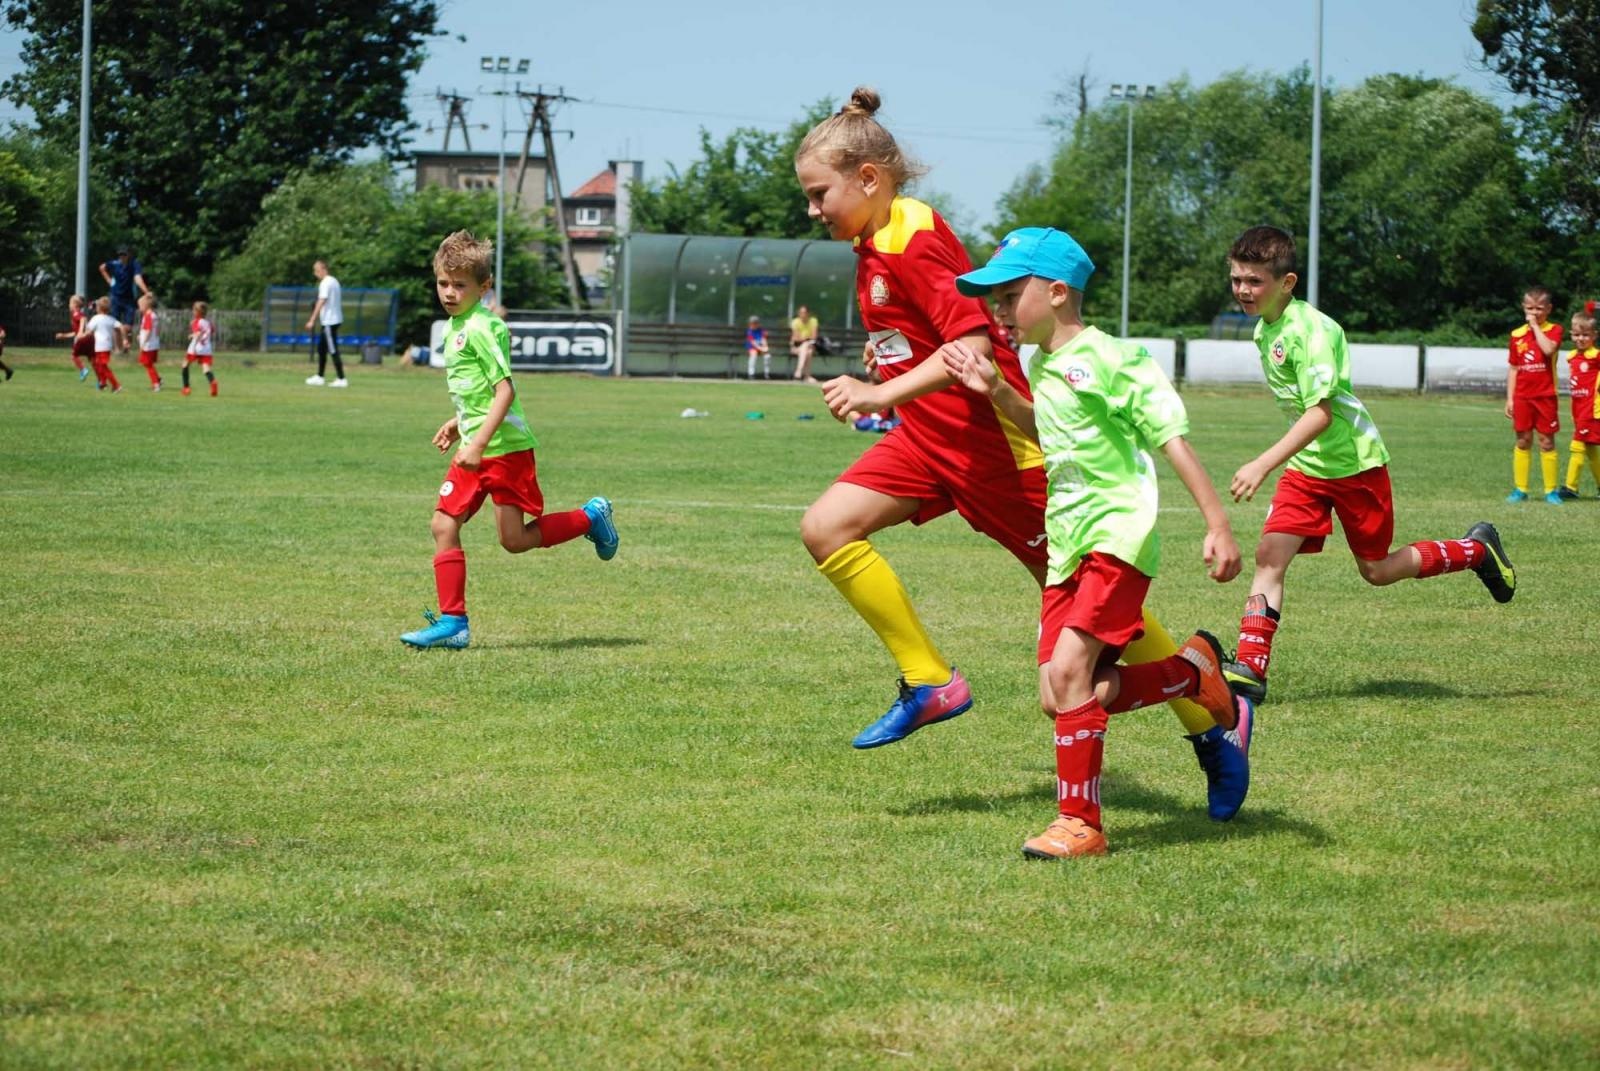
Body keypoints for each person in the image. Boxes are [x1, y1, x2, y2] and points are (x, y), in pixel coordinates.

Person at [793, 86, 1251, 821]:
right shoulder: (871, 241)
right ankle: (929, 680)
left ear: (868, 180)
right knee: (825, 527)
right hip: (929, 443)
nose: (813, 210)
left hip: (1000, 457)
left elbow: (972, 344)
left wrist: (880, 395)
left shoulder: (913, 237)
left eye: (820, 194)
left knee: (1107, 625)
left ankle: (1208, 712)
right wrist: (896, 394)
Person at [945, 227, 1244, 858]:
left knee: (1074, 671)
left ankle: (1080, 824)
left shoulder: (1115, 359)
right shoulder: (1039, 363)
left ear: (1056, 292)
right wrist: (998, 392)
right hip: (1068, 543)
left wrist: (1217, 524)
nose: (996, 309)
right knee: (1058, 696)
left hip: (1117, 534)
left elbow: (1172, 441)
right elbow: (1051, 434)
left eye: (1007, 294)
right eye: (991, 297)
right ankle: (1189, 673)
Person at [1219, 225, 1517, 705]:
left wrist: (1263, 462)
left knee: (1376, 570)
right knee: (1270, 557)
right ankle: (1252, 669)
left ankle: (1475, 550)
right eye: (1237, 279)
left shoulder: (1312, 331)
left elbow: (1321, 413)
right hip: (1307, 470)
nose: (1243, 290)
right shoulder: (1263, 330)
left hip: (1355, 466)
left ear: (1287, 282)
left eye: (1254, 281)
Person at [399, 230, 620, 650]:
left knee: (514, 541)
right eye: (443, 283)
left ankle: (591, 516)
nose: (449, 292)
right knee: (442, 524)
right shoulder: (455, 326)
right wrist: (458, 423)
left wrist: (478, 443)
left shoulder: (484, 327)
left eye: (459, 285)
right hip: (475, 446)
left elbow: (505, 391)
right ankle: (453, 623)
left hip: (504, 452)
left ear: (483, 287)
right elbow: (478, 395)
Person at [1504, 285, 1564, 503]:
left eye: (1539, 309)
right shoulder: (1516, 335)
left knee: (1546, 441)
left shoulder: (1554, 330)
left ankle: (1551, 490)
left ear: (1548, 309)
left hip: (1546, 395)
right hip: (1522, 396)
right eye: (1530, 308)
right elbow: (1513, 368)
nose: (1534, 313)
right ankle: (1520, 489)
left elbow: (1548, 350)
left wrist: (1534, 327)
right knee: (1523, 440)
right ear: (1523, 307)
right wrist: (1510, 398)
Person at [1559, 302, 1600, 498]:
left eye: (1585, 335)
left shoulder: (1596, 356)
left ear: (1594, 336)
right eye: (1576, 335)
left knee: (1577, 445)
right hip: (1578, 407)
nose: (1580, 339)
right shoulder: (1572, 357)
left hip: (1591, 409)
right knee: (1590, 448)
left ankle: (1570, 487)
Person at [304, 259, 348, 388]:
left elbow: (321, 301)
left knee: (332, 349)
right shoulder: (334, 281)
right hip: (333, 320)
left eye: (316, 270)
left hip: (329, 321)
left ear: (324, 269)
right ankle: (320, 376)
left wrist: (312, 320)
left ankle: (341, 378)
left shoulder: (325, 283)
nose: (315, 273)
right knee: (321, 349)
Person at [98, 247, 151, 333]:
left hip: (129, 298)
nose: (122, 257)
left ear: (128, 255)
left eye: (124, 255)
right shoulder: (115, 264)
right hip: (116, 297)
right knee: (115, 324)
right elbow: (102, 267)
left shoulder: (134, 264)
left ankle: (126, 343)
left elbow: (137, 278)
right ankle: (118, 346)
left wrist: (146, 291)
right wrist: (110, 281)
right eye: (120, 255)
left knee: (129, 326)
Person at [81, 296, 126, 393]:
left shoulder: (96, 318)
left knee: (103, 366)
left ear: (98, 308)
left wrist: (81, 335)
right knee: (99, 365)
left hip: (99, 346)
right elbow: (121, 327)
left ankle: (116, 385)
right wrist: (125, 339)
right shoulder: (111, 319)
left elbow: (88, 331)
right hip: (107, 346)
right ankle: (103, 382)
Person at [183, 301, 217, 397]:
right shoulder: (208, 323)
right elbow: (212, 331)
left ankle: (186, 388)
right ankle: (213, 382)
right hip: (206, 348)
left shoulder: (195, 322)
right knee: (206, 368)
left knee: (185, 365)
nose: (193, 312)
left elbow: (198, 334)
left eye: (194, 310)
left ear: (197, 312)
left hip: (196, 347)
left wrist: (192, 337)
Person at [56, 295, 93, 381]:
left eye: (70, 303)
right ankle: (101, 378)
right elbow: (75, 333)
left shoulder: (76, 314)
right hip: (87, 339)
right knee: (91, 359)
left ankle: (83, 370)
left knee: (74, 355)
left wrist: (80, 332)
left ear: (75, 305)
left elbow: (83, 319)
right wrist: (63, 335)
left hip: (83, 339)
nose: (69, 305)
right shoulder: (77, 314)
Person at [135, 294, 163, 392]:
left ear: (146, 305)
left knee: (147, 364)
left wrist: (143, 342)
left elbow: (148, 330)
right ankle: (158, 379)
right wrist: (141, 335)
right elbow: (157, 329)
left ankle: (156, 384)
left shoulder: (148, 316)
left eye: (140, 305)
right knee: (148, 364)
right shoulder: (154, 315)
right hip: (154, 343)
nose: (139, 308)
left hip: (148, 345)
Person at [790, 304, 820, 382]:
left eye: (804, 312)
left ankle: (798, 372)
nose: (802, 314)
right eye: (800, 312)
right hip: (796, 347)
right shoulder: (795, 322)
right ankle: (807, 376)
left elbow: (814, 336)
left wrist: (804, 339)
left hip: (810, 346)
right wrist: (806, 339)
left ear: (808, 313)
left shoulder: (813, 321)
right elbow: (796, 339)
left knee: (807, 348)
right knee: (808, 351)